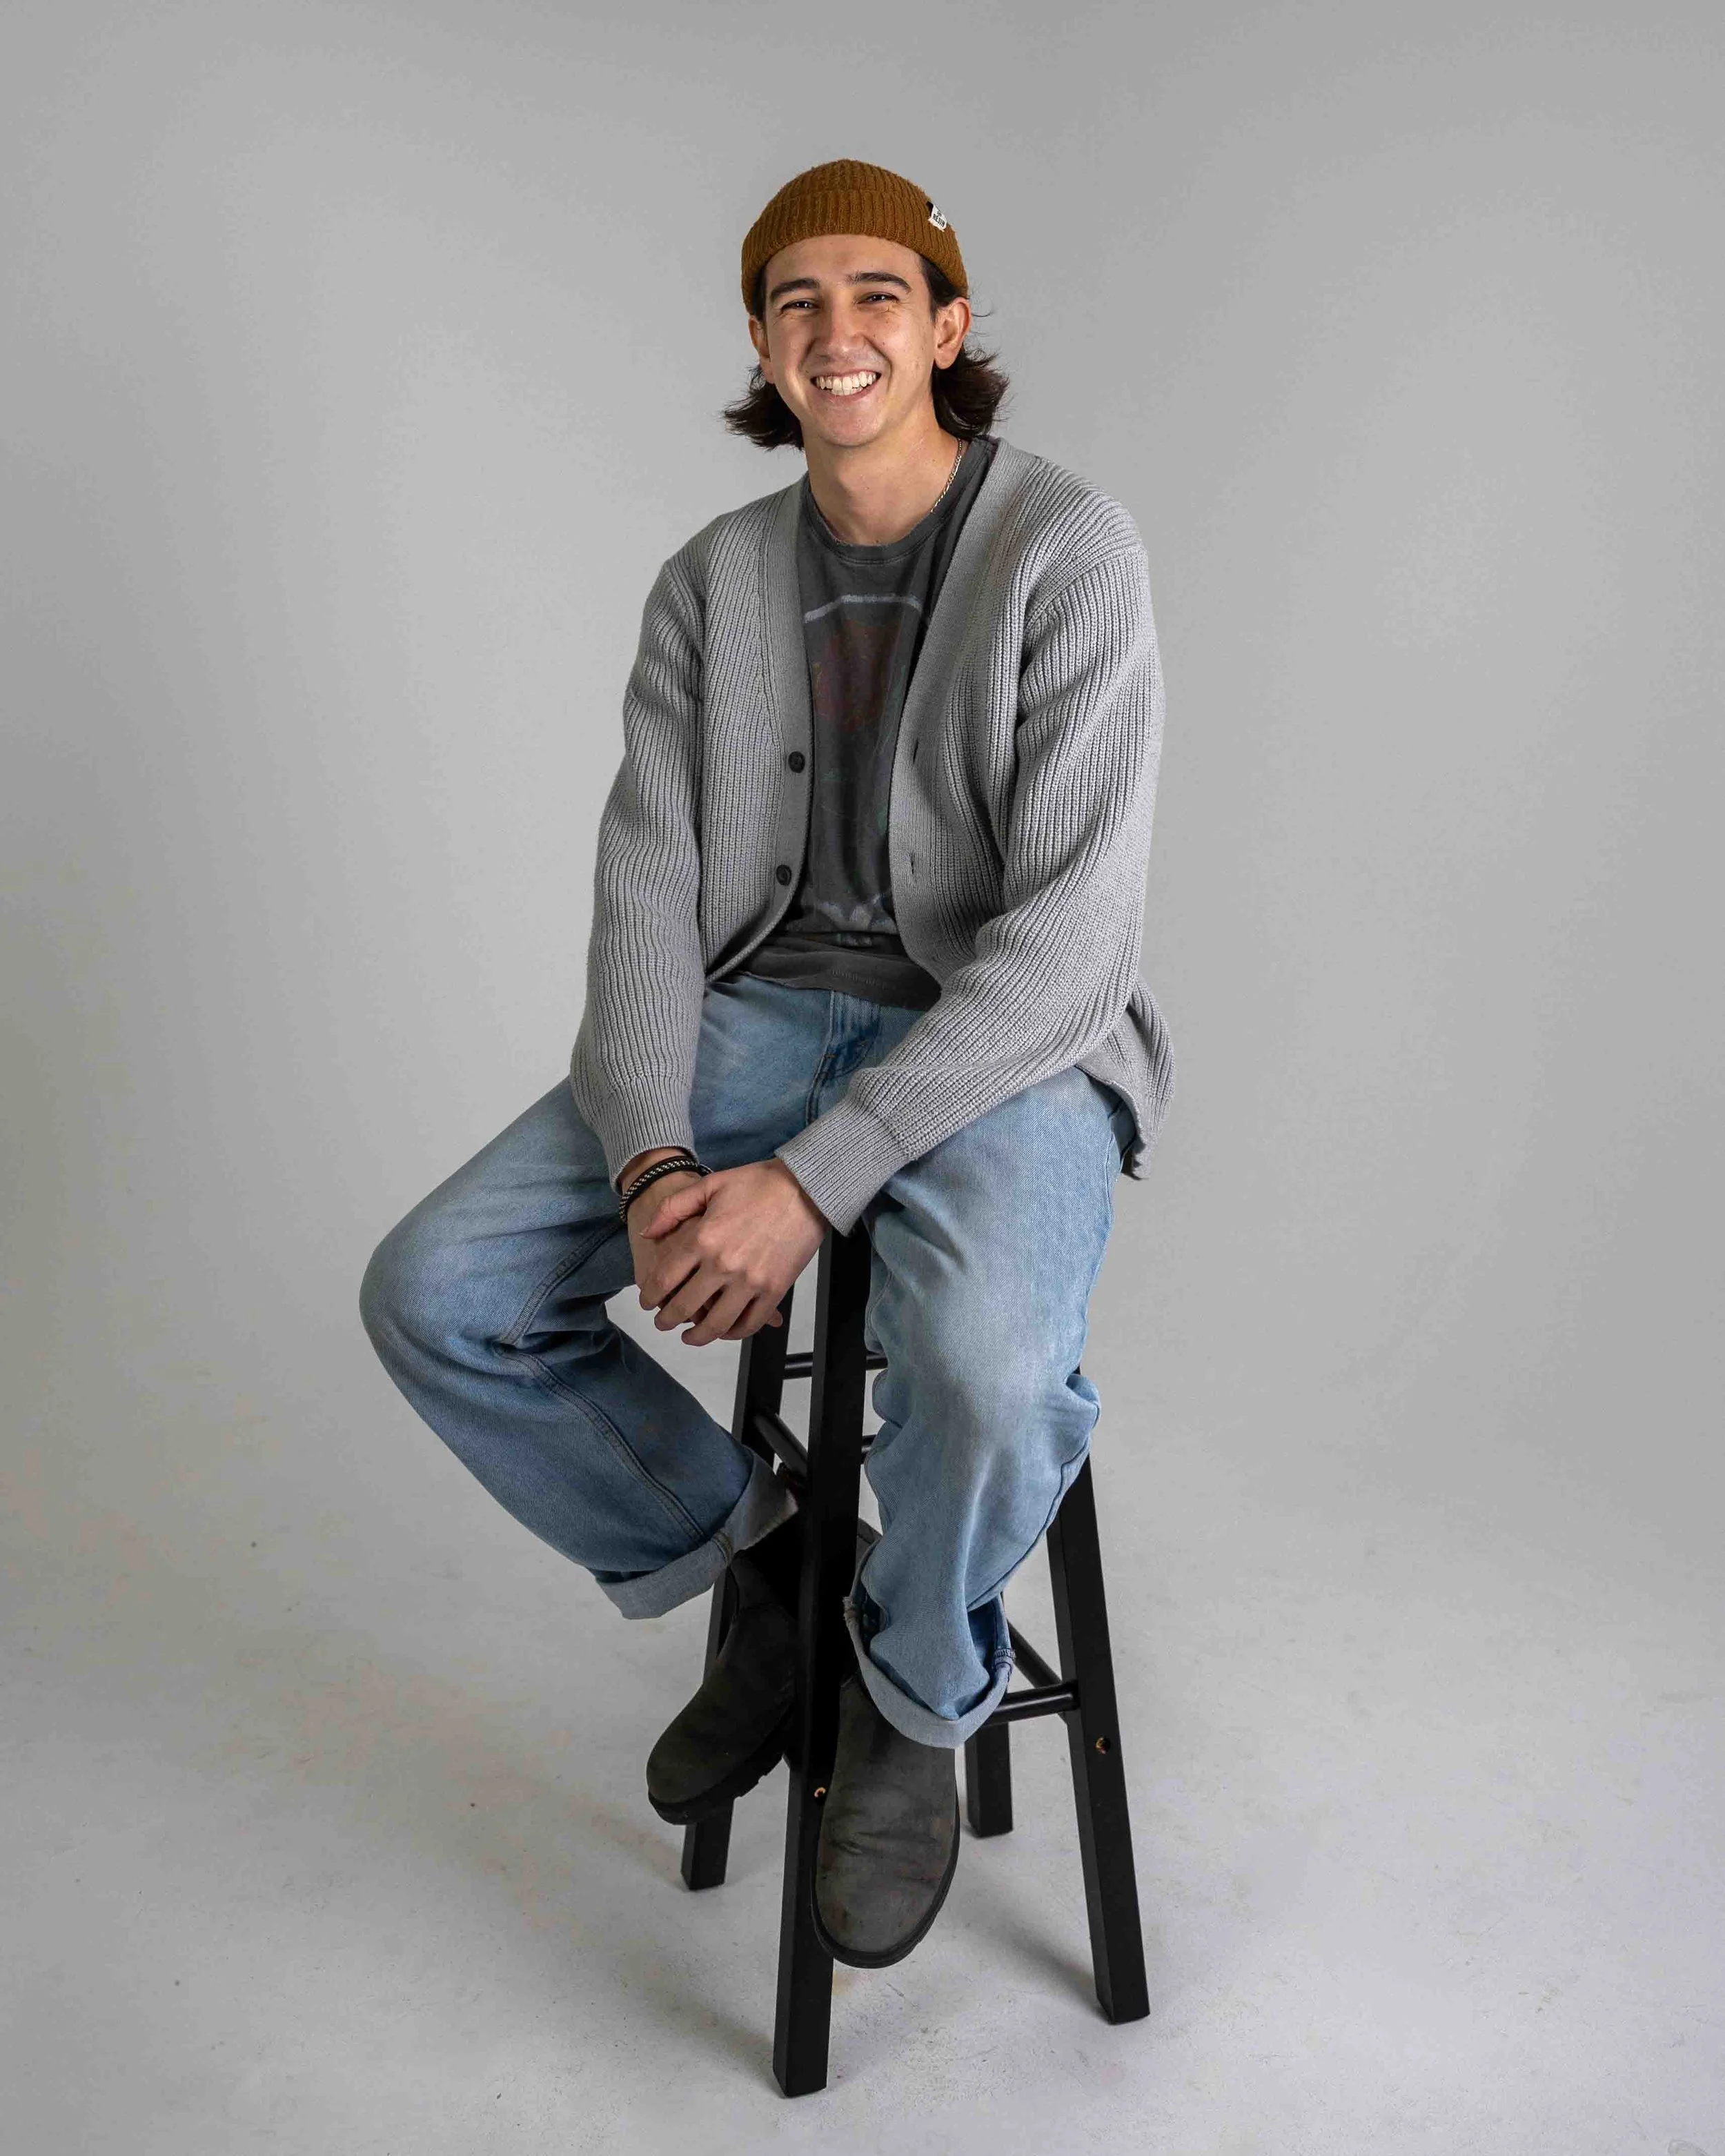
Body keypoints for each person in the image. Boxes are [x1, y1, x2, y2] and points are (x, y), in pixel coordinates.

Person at [359, 157, 1173, 1970]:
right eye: (795, 300)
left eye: (877, 292)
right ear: (760, 343)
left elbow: (1065, 947)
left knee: (979, 1364)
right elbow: (647, 900)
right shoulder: (712, 583)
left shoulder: (1067, 549)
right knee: (440, 1289)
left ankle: (906, 1679)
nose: (837, 329)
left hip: (1009, 1042)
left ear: (946, 327)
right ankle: (771, 1564)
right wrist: (656, 1159)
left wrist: (811, 1182)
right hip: (753, 1011)